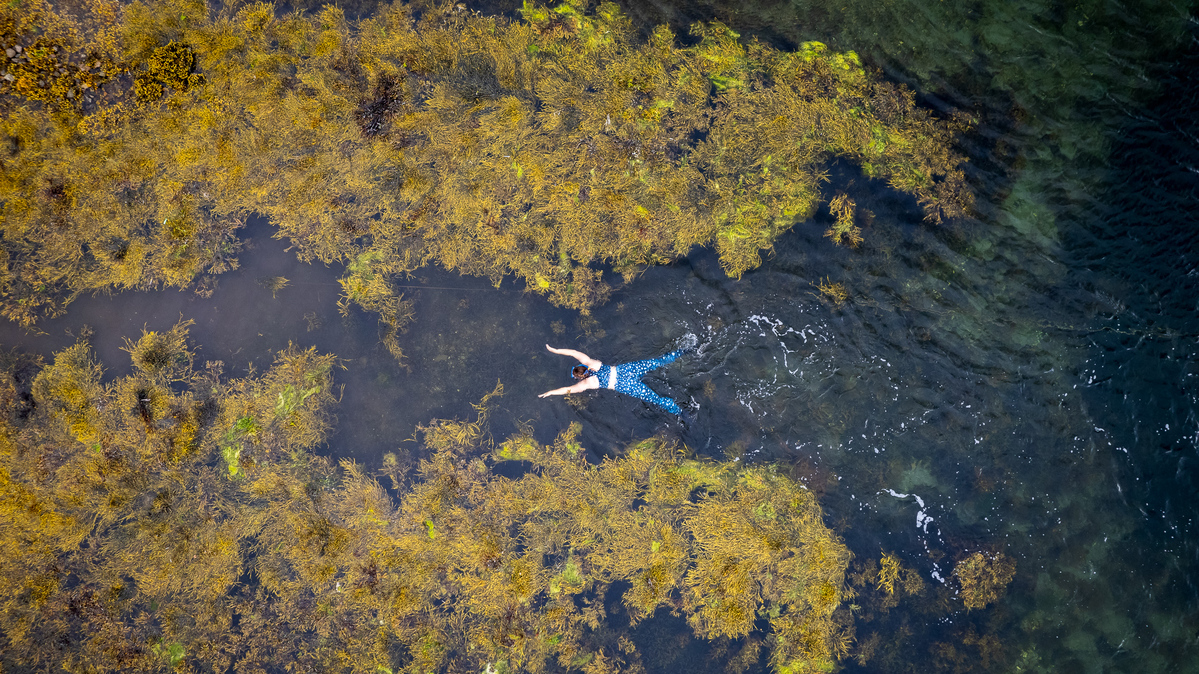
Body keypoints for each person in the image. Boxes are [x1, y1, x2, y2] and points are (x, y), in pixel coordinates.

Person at [539, 343, 688, 415]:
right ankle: (684, 351)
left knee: (655, 399)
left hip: (623, 385)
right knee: (657, 362)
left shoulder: (586, 383)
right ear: (583, 367)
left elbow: (567, 390)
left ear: (579, 378)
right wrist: (556, 350)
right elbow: (573, 352)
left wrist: (551, 392)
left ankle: (680, 412)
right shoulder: (591, 363)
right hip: (625, 370)